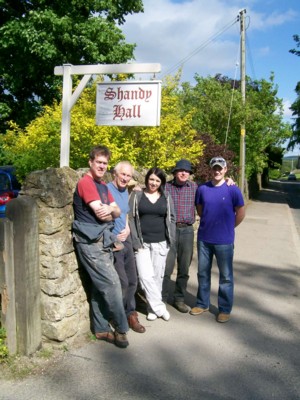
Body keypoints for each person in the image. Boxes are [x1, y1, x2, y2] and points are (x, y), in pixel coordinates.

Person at [72, 145, 129, 348]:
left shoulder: (103, 187)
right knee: (113, 284)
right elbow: (102, 214)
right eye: (99, 162)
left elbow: (117, 211)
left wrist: (111, 209)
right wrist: (110, 209)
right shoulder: (85, 183)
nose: (102, 166)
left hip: (102, 242)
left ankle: (101, 328)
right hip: (90, 244)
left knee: (100, 286)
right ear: (90, 162)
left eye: (105, 163)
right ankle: (121, 328)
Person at [190, 156, 245, 323]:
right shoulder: (202, 189)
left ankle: (224, 309)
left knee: (226, 277)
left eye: (220, 168)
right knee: (203, 273)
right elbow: (200, 210)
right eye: (214, 168)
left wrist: (229, 227)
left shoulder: (232, 189)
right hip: (204, 239)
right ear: (210, 169)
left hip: (224, 241)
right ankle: (202, 303)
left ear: (225, 170)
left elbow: (241, 212)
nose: (217, 171)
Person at [129, 167, 176, 321]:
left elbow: (172, 218)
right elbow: (130, 218)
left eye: (157, 180)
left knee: (157, 276)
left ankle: (152, 309)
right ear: (147, 179)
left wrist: (171, 238)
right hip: (142, 244)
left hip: (161, 243)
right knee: (144, 276)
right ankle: (160, 307)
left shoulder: (166, 197)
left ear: (161, 182)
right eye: (151, 179)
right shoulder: (137, 195)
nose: (154, 183)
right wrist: (135, 241)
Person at [107, 161, 146, 333]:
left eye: (128, 175)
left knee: (132, 279)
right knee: (121, 282)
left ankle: (131, 313)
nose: (125, 178)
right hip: (114, 241)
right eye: (122, 174)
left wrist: (128, 226)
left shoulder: (126, 190)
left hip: (127, 239)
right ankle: (119, 315)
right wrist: (113, 236)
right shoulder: (106, 190)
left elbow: (125, 212)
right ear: (115, 173)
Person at [162, 159, 198, 313]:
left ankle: (179, 299)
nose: (184, 173)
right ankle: (161, 299)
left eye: (187, 171)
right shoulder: (166, 187)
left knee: (184, 267)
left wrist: (228, 181)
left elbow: (212, 191)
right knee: (166, 267)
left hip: (187, 231)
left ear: (189, 174)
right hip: (169, 230)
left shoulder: (195, 188)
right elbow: (149, 192)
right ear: (175, 172)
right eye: (181, 170)